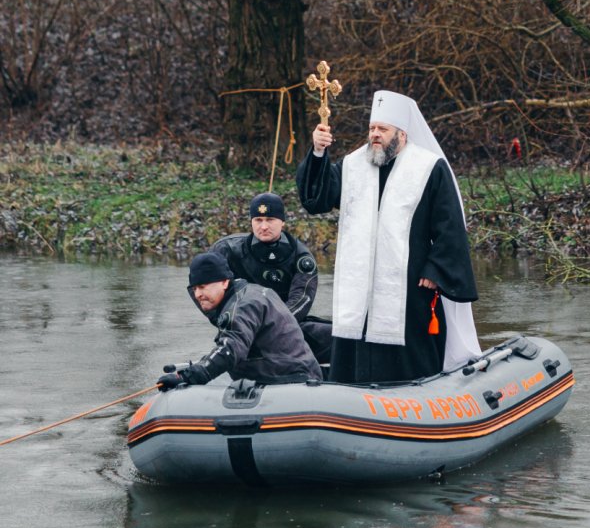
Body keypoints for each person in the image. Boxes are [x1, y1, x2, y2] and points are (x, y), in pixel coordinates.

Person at [296, 89, 481, 384]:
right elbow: (316, 199)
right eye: (372, 129)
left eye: (383, 129)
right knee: (355, 348)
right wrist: (318, 153)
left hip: (409, 284)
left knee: (409, 356)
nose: (375, 135)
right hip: (358, 288)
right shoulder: (354, 164)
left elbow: (450, 226)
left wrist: (436, 270)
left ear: (402, 134)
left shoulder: (428, 168)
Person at [157, 251, 322, 390]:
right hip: (287, 372)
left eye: (203, 287)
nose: (198, 294)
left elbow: (230, 349)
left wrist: (190, 376)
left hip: (290, 380)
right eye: (194, 289)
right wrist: (193, 367)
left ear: (224, 281)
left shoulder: (243, 305)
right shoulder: (247, 293)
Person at [209, 192, 331, 364]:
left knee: (336, 337)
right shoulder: (226, 250)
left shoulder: (301, 257)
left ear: (282, 222)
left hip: (286, 326)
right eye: (258, 220)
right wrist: (226, 322)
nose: (264, 226)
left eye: (270, 220)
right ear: (251, 222)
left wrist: (268, 328)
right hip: (242, 329)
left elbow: (301, 301)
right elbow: (203, 290)